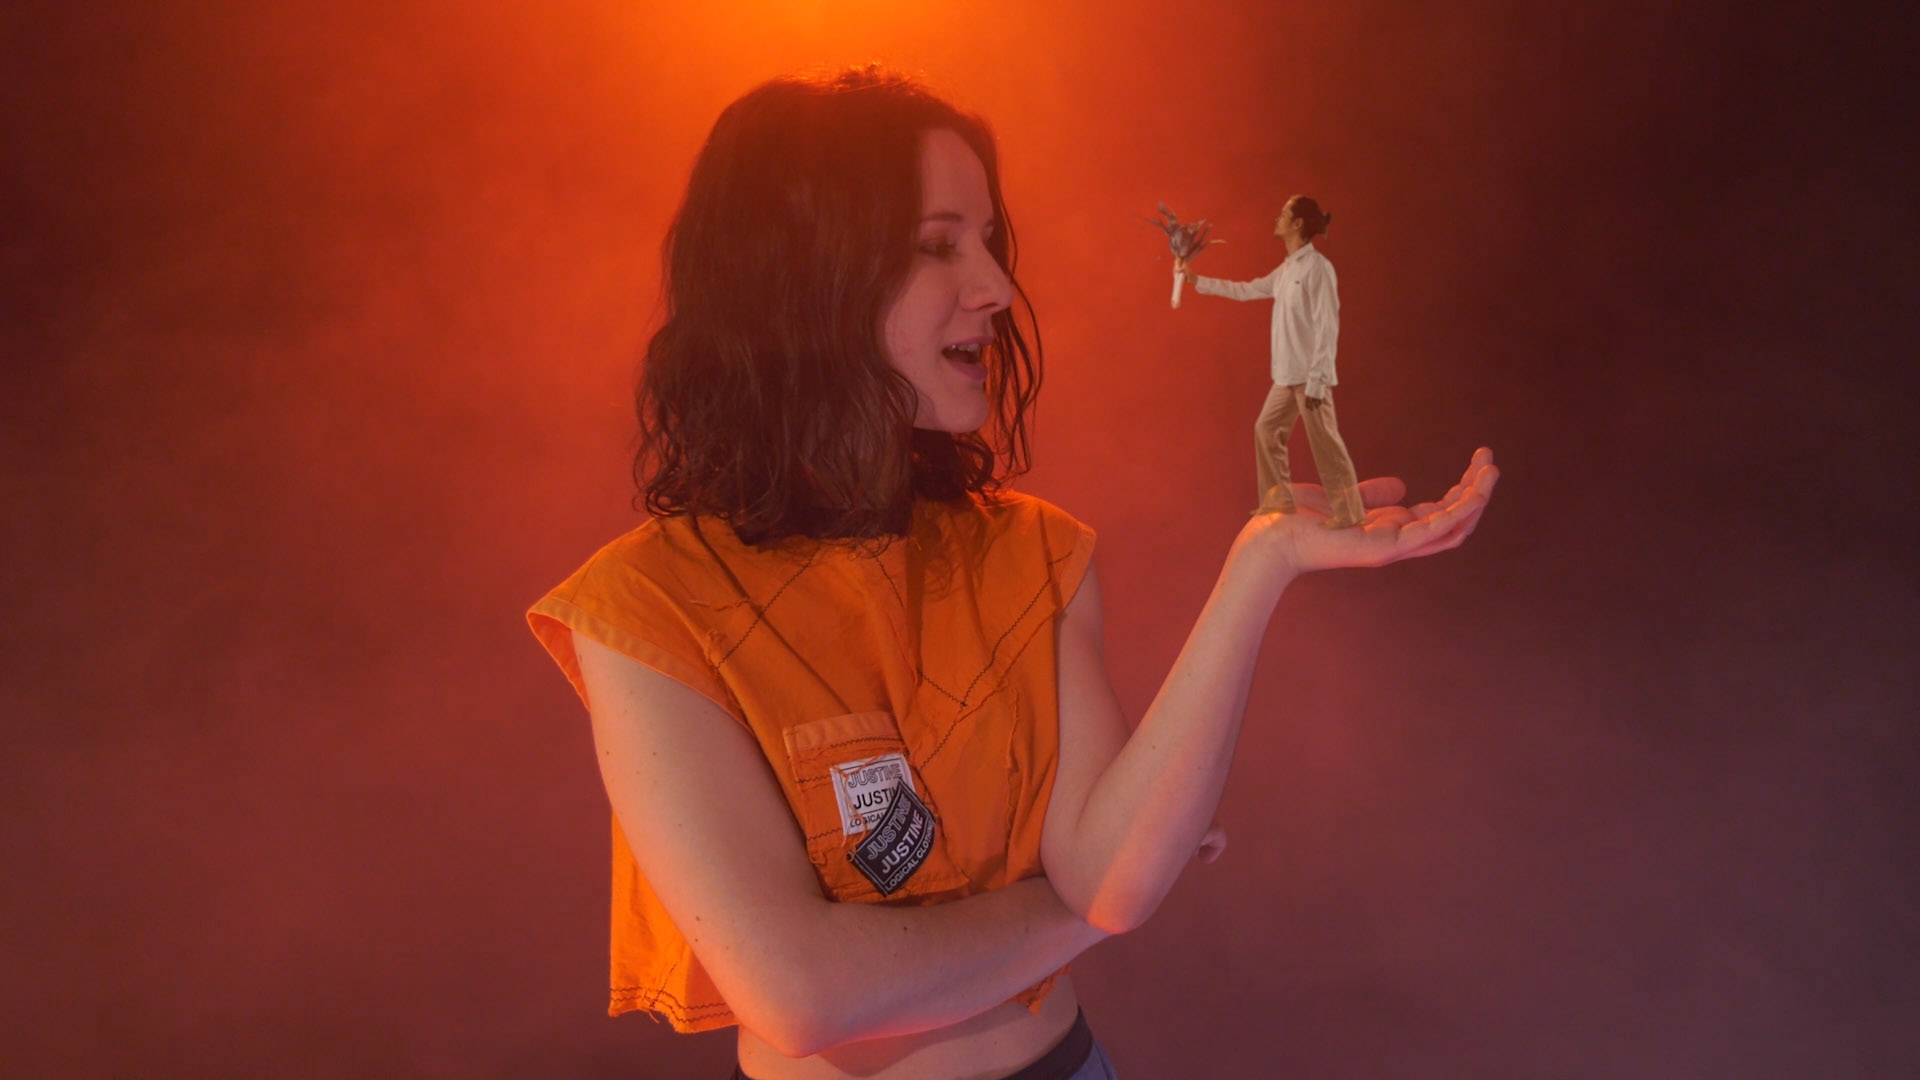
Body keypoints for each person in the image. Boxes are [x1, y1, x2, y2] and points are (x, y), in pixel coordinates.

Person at [527, 67, 1497, 1080]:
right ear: (803, 277)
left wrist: (1263, 563)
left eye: (988, 240)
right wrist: (1077, 912)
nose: (995, 287)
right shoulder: (644, 609)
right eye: (938, 244)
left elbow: (1113, 878)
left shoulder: (1036, 550)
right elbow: (803, 993)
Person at [1179, 196, 1365, 527]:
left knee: (1326, 445)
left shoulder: (1318, 268)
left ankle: (1349, 514)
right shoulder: (1287, 269)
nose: (1276, 219)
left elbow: (1327, 325)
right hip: (1286, 375)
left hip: (1310, 378)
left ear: (1298, 224)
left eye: (1283, 214)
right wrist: (1197, 281)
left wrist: (1318, 380)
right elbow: (1246, 290)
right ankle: (1278, 499)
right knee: (1266, 430)